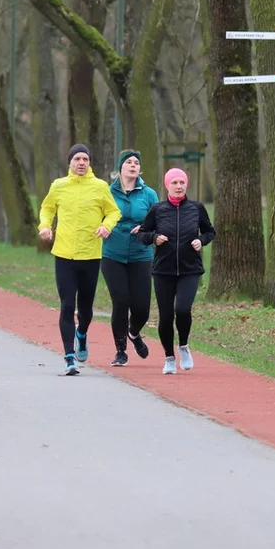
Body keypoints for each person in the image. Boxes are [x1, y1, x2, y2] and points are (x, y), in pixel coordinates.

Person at [38, 144, 121, 375]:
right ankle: (69, 357)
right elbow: (47, 209)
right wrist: (45, 226)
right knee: (67, 305)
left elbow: (114, 212)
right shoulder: (59, 186)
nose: (81, 162)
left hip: (91, 255)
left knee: (85, 309)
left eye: (85, 158)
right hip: (64, 255)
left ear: (90, 162)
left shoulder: (100, 187)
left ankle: (81, 334)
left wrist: (106, 226)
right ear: (70, 163)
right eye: (77, 159)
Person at [136, 168, 216, 375]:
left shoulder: (196, 208)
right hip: (163, 270)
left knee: (182, 309)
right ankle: (169, 357)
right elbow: (142, 234)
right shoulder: (157, 209)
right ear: (167, 186)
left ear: (186, 185)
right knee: (165, 316)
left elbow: (210, 231)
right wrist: (154, 238)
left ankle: (184, 346)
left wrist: (201, 240)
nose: (179, 186)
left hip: (190, 270)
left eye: (182, 182)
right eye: (175, 183)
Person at [101, 150, 159, 366]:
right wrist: (102, 228)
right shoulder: (107, 192)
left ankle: (133, 333)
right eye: (128, 162)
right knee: (121, 301)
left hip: (141, 254)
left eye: (136, 162)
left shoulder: (148, 194)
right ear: (121, 168)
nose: (133, 165)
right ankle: (120, 350)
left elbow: (159, 221)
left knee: (142, 308)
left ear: (139, 169)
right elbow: (98, 217)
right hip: (112, 254)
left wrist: (145, 229)